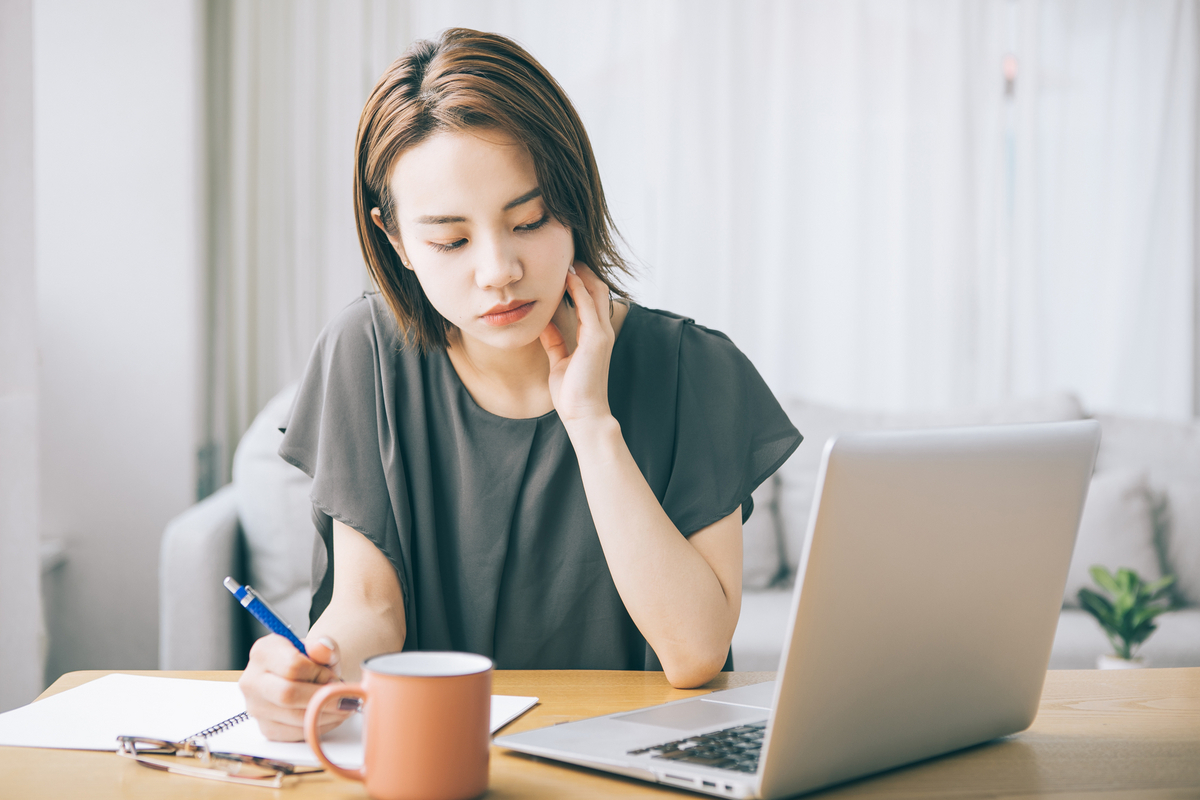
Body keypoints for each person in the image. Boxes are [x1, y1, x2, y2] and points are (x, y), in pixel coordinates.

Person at [238, 27, 802, 742]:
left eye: (528, 220)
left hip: (636, 761)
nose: (498, 269)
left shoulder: (691, 368)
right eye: (451, 240)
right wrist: (311, 671)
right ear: (396, 240)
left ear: (574, 202)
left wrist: (592, 424)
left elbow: (691, 653)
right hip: (439, 756)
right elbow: (371, 609)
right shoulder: (367, 355)